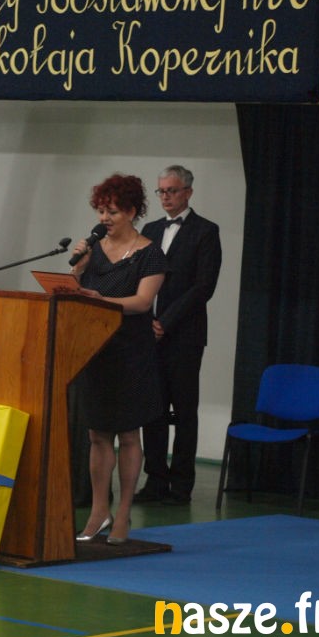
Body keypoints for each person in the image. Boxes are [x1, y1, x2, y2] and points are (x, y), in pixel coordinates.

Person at [71, 173, 167, 544]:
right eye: (100, 210)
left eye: (111, 211)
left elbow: (142, 303)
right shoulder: (93, 250)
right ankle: (99, 511)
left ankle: (124, 512)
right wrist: (78, 271)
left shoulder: (150, 253)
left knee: (128, 434)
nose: (104, 218)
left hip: (131, 352)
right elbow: (79, 293)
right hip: (96, 351)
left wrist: (101, 300)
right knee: (97, 435)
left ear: (131, 211)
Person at [135, 165, 221, 505]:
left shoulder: (206, 231)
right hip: (148, 335)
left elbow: (203, 286)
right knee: (152, 410)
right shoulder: (151, 229)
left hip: (184, 336)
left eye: (171, 190)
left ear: (188, 192)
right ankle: (155, 481)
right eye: (161, 191)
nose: (165, 197)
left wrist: (165, 322)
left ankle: (181, 485)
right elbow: (139, 277)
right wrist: (148, 321)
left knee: (184, 411)